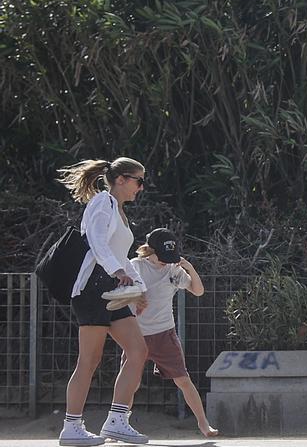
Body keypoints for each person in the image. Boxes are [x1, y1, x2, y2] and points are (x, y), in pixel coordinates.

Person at [56, 158, 150, 446]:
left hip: (112, 289)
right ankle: (71, 426)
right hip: (92, 288)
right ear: (121, 179)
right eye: (139, 180)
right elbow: (96, 241)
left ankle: (117, 421)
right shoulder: (102, 202)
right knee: (89, 361)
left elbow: (121, 255)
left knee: (138, 351)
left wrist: (139, 287)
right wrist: (117, 271)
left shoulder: (119, 211)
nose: (141, 187)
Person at [125, 228, 219, 437]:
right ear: (149, 250)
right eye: (163, 256)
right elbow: (121, 292)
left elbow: (198, 290)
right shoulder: (135, 266)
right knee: (130, 382)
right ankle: (119, 423)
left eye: (171, 257)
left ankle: (203, 424)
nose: (166, 261)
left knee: (183, 379)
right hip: (137, 334)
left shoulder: (172, 269)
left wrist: (190, 268)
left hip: (164, 333)